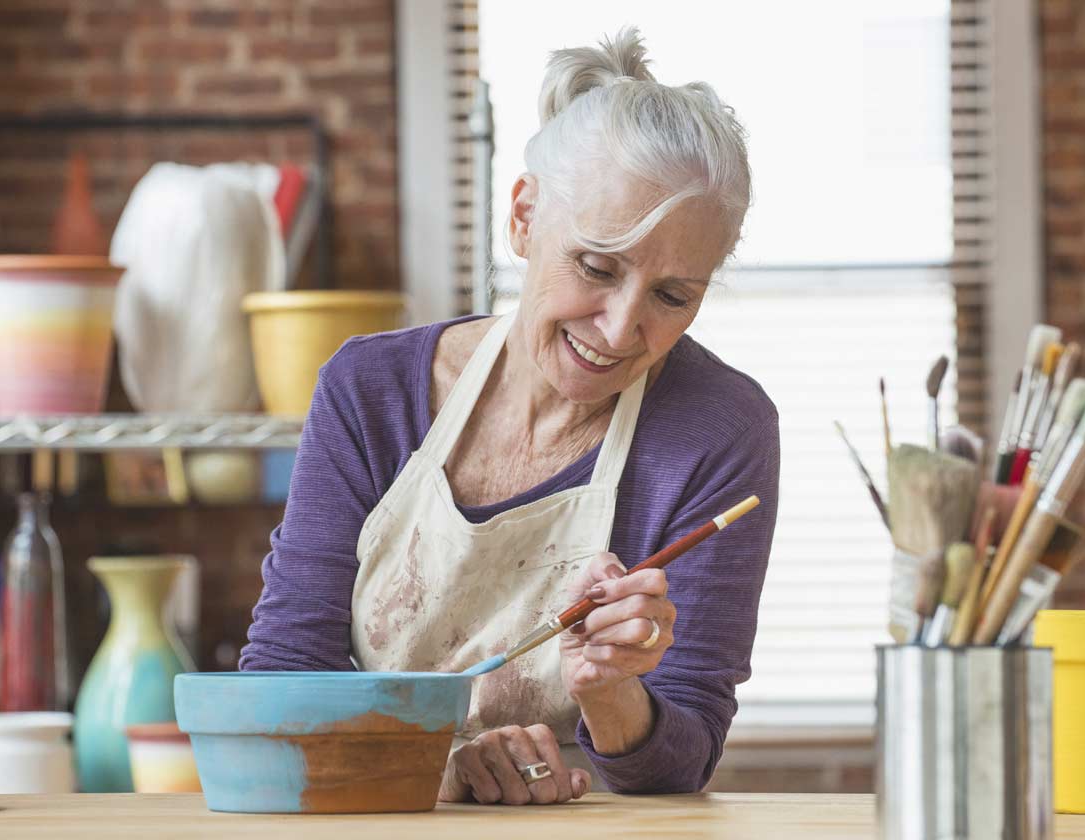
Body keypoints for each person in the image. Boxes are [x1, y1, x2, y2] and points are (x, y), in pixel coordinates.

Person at [241, 26, 779, 804]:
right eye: (597, 266)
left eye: (672, 296)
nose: (622, 328)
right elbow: (281, 682)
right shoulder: (371, 390)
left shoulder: (718, 428)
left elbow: (682, 762)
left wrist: (610, 691)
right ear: (524, 218)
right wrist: (443, 767)